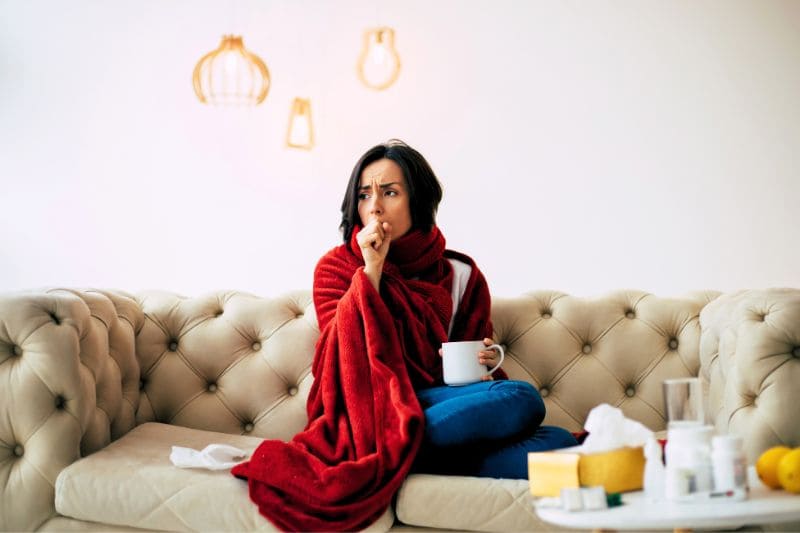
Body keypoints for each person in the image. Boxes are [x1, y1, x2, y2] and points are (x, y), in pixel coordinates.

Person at [232, 140, 577, 532]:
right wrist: (371, 270)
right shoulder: (336, 268)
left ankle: (398, 454)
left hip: (433, 401)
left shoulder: (460, 275)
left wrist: (483, 367)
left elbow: (470, 379)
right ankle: (396, 446)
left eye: (390, 192)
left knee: (557, 440)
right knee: (524, 398)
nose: (374, 206)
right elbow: (344, 359)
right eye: (364, 195)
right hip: (367, 409)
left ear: (419, 200)